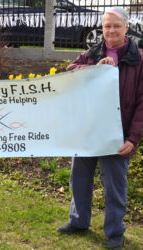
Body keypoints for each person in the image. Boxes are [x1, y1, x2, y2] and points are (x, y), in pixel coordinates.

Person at [57, 7, 143, 249]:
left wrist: (133, 138)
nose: (111, 30)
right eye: (107, 26)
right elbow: (70, 75)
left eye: (116, 25)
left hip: (118, 136)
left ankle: (115, 232)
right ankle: (78, 221)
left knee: (115, 186)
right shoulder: (91, 53)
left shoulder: (139, 59)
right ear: (101, 28)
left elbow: (142, 103)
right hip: (88, 131)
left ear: (127, 27)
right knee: (79, 179)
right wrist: (95, 69)